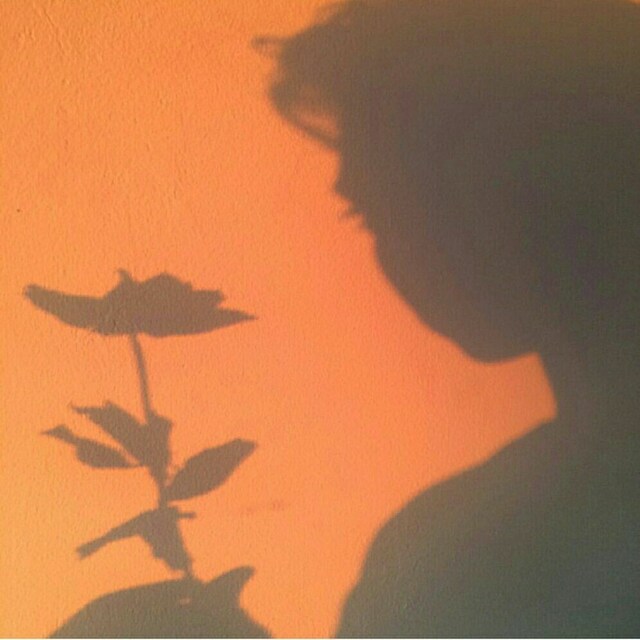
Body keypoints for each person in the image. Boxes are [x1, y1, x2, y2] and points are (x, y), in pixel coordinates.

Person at [260, 0, 640, 635]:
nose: (402, 243)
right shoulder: (444, 552)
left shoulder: (450, 560)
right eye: (371, 211)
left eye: (419, 184)